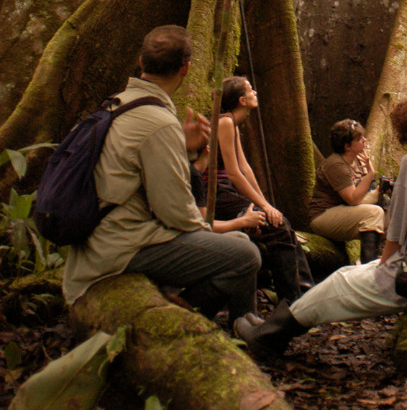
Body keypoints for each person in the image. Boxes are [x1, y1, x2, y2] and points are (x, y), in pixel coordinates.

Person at [235, 94, 407, 356]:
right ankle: (273, 326)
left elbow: (397, 227)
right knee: (348, 273)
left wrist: (382, 267)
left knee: (339, 282)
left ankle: (267, 339)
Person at [62, 26, 260, 324]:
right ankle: (187, 314)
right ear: (186, 68)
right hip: (122, 245)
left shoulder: (118, 104)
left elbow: (136, 165)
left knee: (238, 244)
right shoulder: (158, 122)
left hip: (103, 237)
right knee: (246, 255)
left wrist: (183, 148)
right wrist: (212, 231)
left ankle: (245, 324)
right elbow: (177, 214)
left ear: (141, 63)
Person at [204, 75, 313, 302]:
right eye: (251, 90)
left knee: (279, 220)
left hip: (228, 191)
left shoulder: (231, 123)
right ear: (242, 100)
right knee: (277, 226)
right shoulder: (224, 122)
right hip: (216, 193)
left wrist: (266, 204)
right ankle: (292, 302)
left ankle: (307, 294)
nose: (256, 93)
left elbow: (245, 168)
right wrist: (263, 206)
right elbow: (233, 173)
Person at [307, 118, 385, 263]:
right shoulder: (336, 164)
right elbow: (353, 199)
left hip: (345, 210)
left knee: (391, 217)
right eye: (359, 138)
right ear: (347, 146)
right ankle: (367, 266)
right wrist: (370, 175)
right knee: (374, 213)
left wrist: (378, 191)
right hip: (323, 215)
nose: (365, 140)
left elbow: (362, 195)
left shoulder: (359, 160)